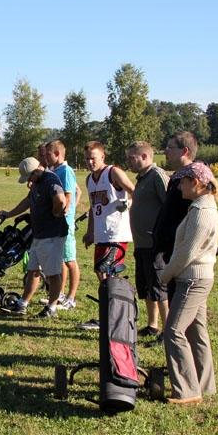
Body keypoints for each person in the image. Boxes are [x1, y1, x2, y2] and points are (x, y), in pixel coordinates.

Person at [159, 162, 218, 405]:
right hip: (198, 277)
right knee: (196, 330)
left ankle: (187, 390)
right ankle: (205, 385)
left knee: (173, 331)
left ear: (196, 183)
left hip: (192, 280)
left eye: (183, 182)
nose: (179, 187)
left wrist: (165, 275)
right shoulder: (200, 206)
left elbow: (187, 252)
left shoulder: (202, 211)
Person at [0, 157, 67, 317]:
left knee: (52, 273)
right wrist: (9, 214)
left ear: (36, 171)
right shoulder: (37, 182)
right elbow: (28, 201)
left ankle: (52, 308)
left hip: (52, 235)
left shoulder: (50, 180)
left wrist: (56, 212)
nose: (29, 181)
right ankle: (23, 303)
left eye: (29, 177)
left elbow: (61, 199)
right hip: (38, 234)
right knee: (32, 270)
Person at [79, 140, 134, 331]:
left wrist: (127, 205)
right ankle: (111, 312)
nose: (90, 162)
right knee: (100, 271)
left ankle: (114, 314)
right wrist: (90, 231)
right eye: (87, 159)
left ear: (102, 156)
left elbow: (134, 191)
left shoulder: (113, 173)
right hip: (102, 233)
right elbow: (95, 208)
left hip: (116, 232)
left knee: (106, 271)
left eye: (93, 158)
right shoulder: (89, 179)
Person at [126, 141, 170, 340]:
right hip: (141, 244)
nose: (129, 161)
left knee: (159, 288)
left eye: (132, 157)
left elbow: (170, 206)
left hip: (155, 245)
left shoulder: (157, 176)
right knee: (146, 287)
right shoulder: (142, 178)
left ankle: (167, 330)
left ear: (144, 156)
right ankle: (152, 325)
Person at [153, 131, 198, 301]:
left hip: (182, 254)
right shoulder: (176, 178)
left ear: (185, 151)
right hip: (169, 251)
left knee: (181, 307)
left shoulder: (193, 179)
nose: (166, 151)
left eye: (170, 147)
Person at [46, 140, 82, 311]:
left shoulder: (65, 171)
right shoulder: (55, 170)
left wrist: (63, 212)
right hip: (56, 224)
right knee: (61, 260)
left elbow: (68, 194)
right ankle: (59, 294)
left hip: (65, 223)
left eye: (48, 154)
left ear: (58, 154)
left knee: (70, 260)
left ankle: (71, 297)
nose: (45, 157)